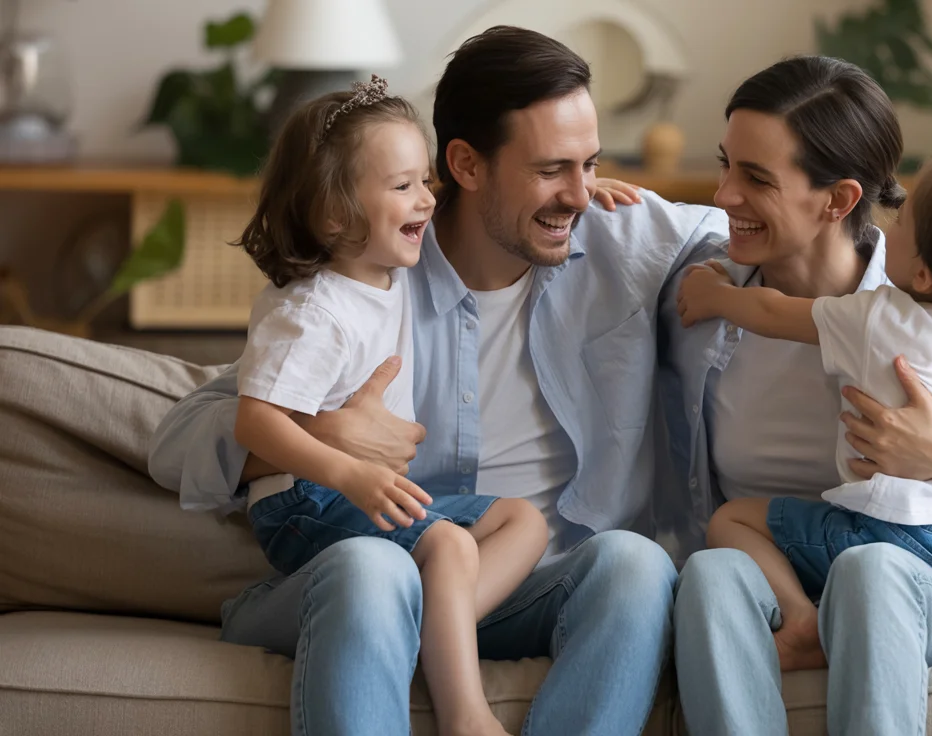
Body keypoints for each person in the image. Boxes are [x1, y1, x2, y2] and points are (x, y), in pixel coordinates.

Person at [148, 26, 726, 736]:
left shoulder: (618, 231)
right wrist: (324, 436)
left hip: (528, 590)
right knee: (372, 569)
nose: (578, 195)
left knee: (636, 566)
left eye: (588, 164)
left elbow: (787, 245)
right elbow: (176, 444)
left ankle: (439, 638)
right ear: (465, 164)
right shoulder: (368, 275)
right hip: (370, 585)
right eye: (551, 169)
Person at [652, 57, 932, 735]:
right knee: (711, 573)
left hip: (919, 585)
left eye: (755, 178)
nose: (723, 195)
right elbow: (627, 230)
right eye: (725, 165)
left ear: (837, 200)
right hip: (781, 575)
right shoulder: (706, 286)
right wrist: (592, 190)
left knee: (874, 569)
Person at [226, 76, 547, 736]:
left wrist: (564, 192)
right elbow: (254, 419)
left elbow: (490, 212)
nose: (427, 200)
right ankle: (465, 713)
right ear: (335, 215)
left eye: (425, 181)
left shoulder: (386, 261)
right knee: (452, 548)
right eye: (403, 187)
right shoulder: (313, 312)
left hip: (350, 491)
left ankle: (433, 625)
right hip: (305, 498)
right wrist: (348, 472)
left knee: (524, 522)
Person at [673, 137, 932, 676]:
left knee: (732, 521)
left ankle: (801, 621)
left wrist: (716, 298)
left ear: (924, 274)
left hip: (889, 535)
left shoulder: (875, 317)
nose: (888, 220)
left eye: (904, 221)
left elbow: (772, 311)